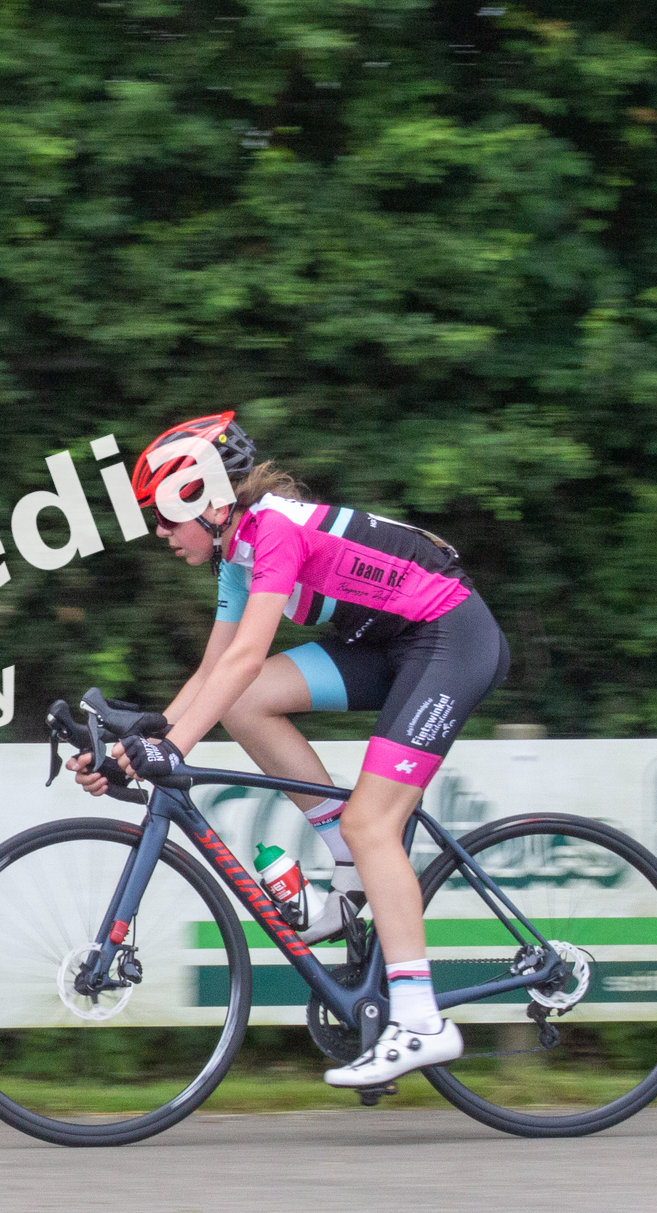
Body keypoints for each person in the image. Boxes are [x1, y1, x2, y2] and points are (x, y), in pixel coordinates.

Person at [72, 413, 510, 1088]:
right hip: (389, 643)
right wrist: (136, 750)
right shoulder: (236, 554)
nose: (157, 534)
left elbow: (248, 655)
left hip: (450, 638)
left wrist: (173, 748)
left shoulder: (272, 530)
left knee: (375, 822)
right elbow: (213, 676)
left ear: (207, 501)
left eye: (162, 516)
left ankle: (421, 1020)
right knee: (248, 708)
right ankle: (346, 859)